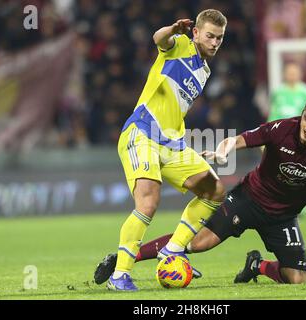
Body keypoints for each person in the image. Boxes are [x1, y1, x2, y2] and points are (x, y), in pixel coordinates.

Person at [95, 97, 306, 285]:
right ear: (303, 114)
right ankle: (125, 258)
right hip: (247, 200)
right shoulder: (281, 128)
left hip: (283, 217)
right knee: (197, 243)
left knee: (298, 279)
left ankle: (257, 266)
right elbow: (240, 139)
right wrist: (221, 151)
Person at [93, 9, 228, 291]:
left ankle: (172, 250)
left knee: (214, 190)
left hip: (172, 142)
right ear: (196, 33)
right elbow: (159, 39)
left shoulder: (205, 71)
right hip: (142, 132)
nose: (215, 42)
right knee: (148, 202)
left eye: (220, 38)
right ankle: (119, 276)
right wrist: (172, 29)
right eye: (210, 36)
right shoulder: (180, 45)